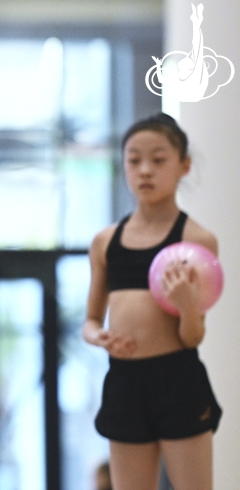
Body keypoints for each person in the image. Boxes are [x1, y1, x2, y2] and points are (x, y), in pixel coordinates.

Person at [82, 113, 222, 490]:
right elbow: (90, 321)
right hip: (125, 383)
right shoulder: (105, 242)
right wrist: (100, 338)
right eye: (134, 160)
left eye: (158, 160)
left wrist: (188, 306)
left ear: (184, 165)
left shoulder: (197, 241)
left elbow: (193, 337)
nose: (145, 170)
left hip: (178, 379)